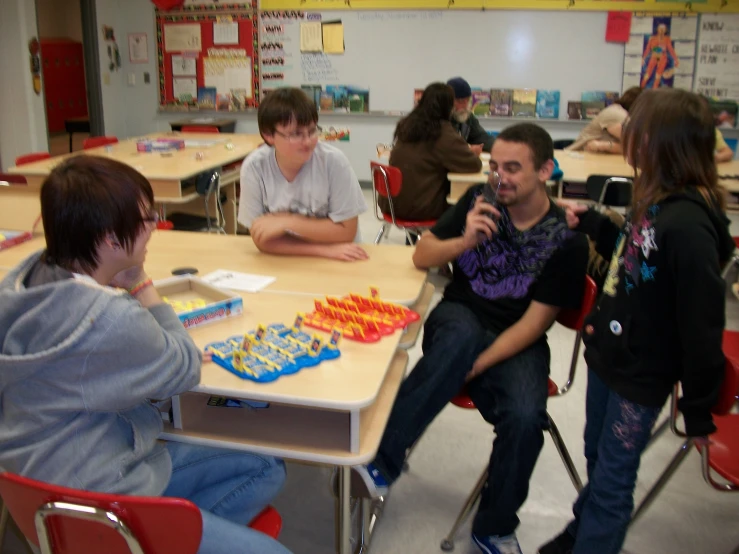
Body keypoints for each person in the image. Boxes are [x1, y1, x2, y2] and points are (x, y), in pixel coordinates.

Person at [0, 156, 291, 554]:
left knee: (265, 465)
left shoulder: (23, 279)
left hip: (43, 486)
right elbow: (185, 365)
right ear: (109, 239)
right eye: (144, 219)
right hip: (104, 500)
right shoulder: (110, 320)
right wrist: (140, 284)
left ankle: (169, 538)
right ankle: (150, 541)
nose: (154, 224)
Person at [356, 123, 589, 554]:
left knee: (525, 416)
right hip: (460, 315)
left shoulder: (566, 240)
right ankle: (382, 459)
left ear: (545, 170)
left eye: (514, 168)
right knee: (459, 337)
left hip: (516, 337)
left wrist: (476, 366)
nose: (500, 177)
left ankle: (495, 525)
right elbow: (422, 254)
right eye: (495, 166)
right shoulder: (477, 201)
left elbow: (534, 325)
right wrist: (465, 239)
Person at [538, 88, 733, 554]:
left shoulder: (688, 225)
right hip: (609, 358)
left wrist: (699, 407)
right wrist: (595, 224)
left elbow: (702, 324)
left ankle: (592, 541)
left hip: (640, 375)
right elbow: (634, 257)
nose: (628, 140)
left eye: (637, 133)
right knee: (597, 457)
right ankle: (581, 533)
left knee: (612, 480)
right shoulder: (657, 198)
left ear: (663, 144)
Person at [238, 87, 368, 262]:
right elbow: (262, 240)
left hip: (340, 260)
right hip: (288, 260)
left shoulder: (334, 162)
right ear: (269, 135)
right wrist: (324, 251)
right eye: (296, 134)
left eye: (312, 131)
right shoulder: (254, 167)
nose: (307, 141)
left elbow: (347, 232)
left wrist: (287, 222)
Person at [385, 82, 482, 224]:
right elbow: (474, 165)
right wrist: (470, 153)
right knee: (463, 203)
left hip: (393, 202)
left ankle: (413, 239)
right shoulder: (443, 132)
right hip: (420, 207)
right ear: (448, 107)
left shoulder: (407, 124)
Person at [566, 87, 642, 153]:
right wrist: (605, 146)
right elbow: (634, 147)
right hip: (579, 158)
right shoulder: (616, 113)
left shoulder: (623, 114)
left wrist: (603, 146)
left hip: (594, 159)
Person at [448, 77, 495, 154]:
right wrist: (466, 150)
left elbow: (482, 138)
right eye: (461, 101)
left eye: (468, 100)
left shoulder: (466, 116)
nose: (465, 105)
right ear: (448, 101)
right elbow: (443, 149)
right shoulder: (439, 119)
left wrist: (501, 147)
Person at [641, 23, 679, 89]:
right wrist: (643, 58)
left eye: (663, 29)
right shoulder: (652, 38)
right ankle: (640, 89)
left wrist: (676, 59)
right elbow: (647, 49)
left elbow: (670, 49)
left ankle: (654, 92)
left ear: (665, 30)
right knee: (647, 74)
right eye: (660, 28)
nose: (661, 30)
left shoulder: (667, 39)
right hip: (654, 56)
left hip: (663, 57)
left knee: (658, 76)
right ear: (658, 29)